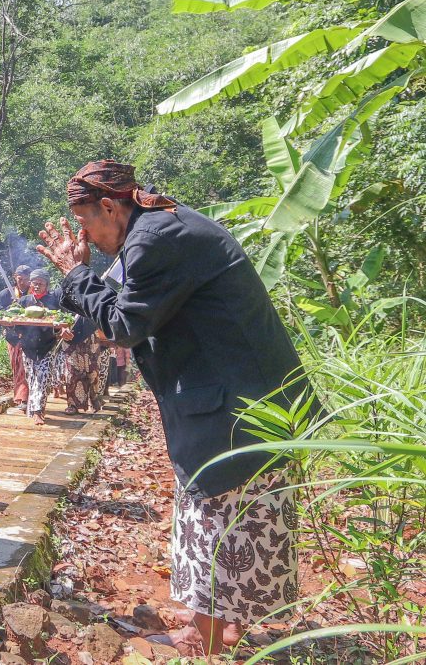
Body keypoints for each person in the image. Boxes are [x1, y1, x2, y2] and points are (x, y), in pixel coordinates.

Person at [37, 159, 310, 656]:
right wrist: (82, 284)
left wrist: (76, 274)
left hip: (233, 406)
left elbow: (124, 326)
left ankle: (207, 637)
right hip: (245, 397)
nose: (85, 235)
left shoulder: (154, 239)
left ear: (108, 206)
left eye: (84, 222)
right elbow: (129, 307)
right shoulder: (160, 225)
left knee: (215, 515)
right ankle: (222, 626)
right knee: (230, 514)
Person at [17, 269, 71, 426]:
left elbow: (64, 320)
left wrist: (63, 329)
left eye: (41, 283)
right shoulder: (24, 301)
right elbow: (14, 322)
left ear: (47, 285)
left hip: (47, 347)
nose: (37, 285)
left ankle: (37, 411)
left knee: (42, 378)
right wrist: (12, 327)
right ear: (30, 284)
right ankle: (35, 407)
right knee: (32, 379)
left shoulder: (54, 301)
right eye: (35, 283)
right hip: (28, 347)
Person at [0, 265, 31, 410]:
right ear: (14, 277)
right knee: (17, 367)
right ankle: (21, 398)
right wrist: (10, 312)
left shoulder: (34, 293)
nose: (22, 282)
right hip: (13, 336)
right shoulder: (5, 293)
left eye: (26, 279)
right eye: (19, 278)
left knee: (28, 368)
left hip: (31, 336)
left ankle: (28, 398)